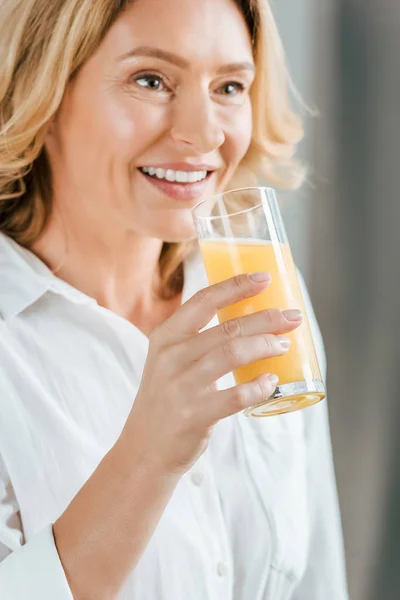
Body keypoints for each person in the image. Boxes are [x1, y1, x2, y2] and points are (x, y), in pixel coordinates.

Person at [0, 0, 348, 598]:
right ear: (46, 94)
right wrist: (147, 458)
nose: (206, 132)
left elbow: (319, 578)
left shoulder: (262, 297)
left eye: (230, 86)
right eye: (151, 80)